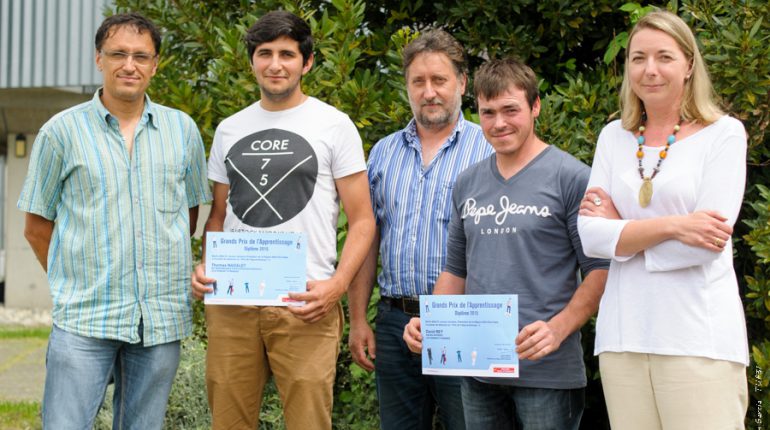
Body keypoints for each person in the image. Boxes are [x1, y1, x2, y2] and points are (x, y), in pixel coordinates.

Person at [17, 12, 210, 429]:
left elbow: (187, 216)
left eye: (141, 56)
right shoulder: (60, 133)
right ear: (98, 59)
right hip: (85, 319)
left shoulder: (183, 130)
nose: (129, 65)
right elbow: (35, 227)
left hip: (159, 320)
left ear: (156, 65)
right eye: (118, 53)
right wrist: (74, 281)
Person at [190, 10, 375, 430]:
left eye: (287, 54)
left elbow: (362, 219)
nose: (276, 64)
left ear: (306, 63)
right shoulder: (229, 130)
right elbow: (218, 217)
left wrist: (337, 286)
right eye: (265, 53)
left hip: (306, 303)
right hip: (234, 304)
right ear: (252, 61)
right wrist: (207, 266)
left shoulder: (334, 125)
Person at [403, 58, 609, 429]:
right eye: (488, 112)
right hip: (479, 366)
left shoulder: (571, 177)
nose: (499, 123)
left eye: (510, 110)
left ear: (535, 107)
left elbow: (599, 270)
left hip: (547, 371)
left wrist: (558, 329)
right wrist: (430, 322)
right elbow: (456, 270)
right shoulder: (467, 183)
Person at [577, 10, 748, 429]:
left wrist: (624, 231)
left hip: (698, 339)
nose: (649, 70)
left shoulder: (723, 134)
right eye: (638, 58)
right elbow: (592, 237)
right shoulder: (612, 136)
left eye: (664, 57)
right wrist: (674, 224)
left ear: (689, 65)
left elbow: (705, 244)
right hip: (623, 338)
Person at [347, 30, 492, 430]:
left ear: (462, 84)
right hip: (395, 321)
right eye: (418, 82)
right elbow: (369, 238)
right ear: (407, 87)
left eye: (439, 80)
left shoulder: (490, 150)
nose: (429, 92)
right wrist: (358, 319)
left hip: (462, 319)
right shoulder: (383, 152)